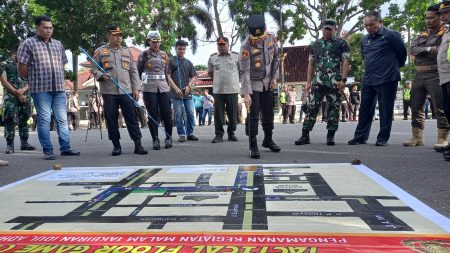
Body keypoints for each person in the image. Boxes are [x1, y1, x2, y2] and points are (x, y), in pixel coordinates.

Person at [17, 15, 79, 160]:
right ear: (37, 28)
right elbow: (22, 67)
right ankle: (48, 150)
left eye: (51, 28)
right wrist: (33, 79)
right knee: (44, 119)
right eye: (45, 27)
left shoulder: (58, 44)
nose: (48, 30)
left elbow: (63, 63)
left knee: (62, 119)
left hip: (58, 87)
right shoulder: (28, 43)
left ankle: (65, 148)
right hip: (40, 89)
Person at [348, 11, 407, 146]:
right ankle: (360, 137)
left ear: (380, 22)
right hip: (369, 79)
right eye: (366, 25)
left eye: (371, 25)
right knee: (365, 108)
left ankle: (382, 138)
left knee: (386, 109)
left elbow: (402, 54)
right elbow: (365, 57)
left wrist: (393, 67)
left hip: (388, 78)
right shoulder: (364, 40)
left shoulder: (391, 35)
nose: (368, 28)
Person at [92, 25, 148, 156]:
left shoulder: (126, 51)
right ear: (109, 36)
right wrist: (101, 75)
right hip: (109, 91)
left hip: (126, 90)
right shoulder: (100, 51)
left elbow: (133, 71)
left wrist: (137, 88)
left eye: (120, 35)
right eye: (115, 35)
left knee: (132, 118)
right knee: (111, 119)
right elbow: (94, 68)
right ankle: (116, 145)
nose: (118, 37)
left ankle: (138, 144)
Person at [295, 19, 350, 146]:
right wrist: (308, 82)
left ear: (335, 29)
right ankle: (305, 135)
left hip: (334, 82)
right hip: (317, 82)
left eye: (330, 29)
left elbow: (346, 61)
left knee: (334, 108)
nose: (327, 31)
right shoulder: (316, 44)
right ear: (322, 29)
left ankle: (330, 136)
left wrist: (343, 79)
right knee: (311, 107)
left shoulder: (341, 43)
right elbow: (311, 63)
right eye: (325, 28)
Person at [404, 4, 450, 149]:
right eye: (426, 18)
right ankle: (417, 137)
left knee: (439, 107)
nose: (428, 20)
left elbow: (439, 51)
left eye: (431, 17)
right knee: (415, 106)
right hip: (419, 74)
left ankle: (442, 138)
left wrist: (421, 50)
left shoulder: (445, 33)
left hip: (435, 74)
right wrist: (429, 49)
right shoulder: (423, 33)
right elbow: (412, 49)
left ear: (439, 17)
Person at [240, 14, 281, 159]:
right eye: (256, 38)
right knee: (253, 114)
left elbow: (276, 57)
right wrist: (246, 94)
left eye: (261, 36)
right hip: (253, 84)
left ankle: (268, 140)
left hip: (268, 82)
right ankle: (253, 144)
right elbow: (244, 71)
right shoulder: (245, 46)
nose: (259, 40)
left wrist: (274, 78)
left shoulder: (271, 38)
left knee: (269, 113)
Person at [137, 30, 173, 150]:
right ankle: (155, 139)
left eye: (158, 42)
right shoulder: (144, 55)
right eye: (154, 42)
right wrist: (138, 87)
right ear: (149, 41)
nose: (156, 44)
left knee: (167, 114)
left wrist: (169, 88)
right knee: (153, 115)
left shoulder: (164, 55)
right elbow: (138, 71)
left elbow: (167, 72)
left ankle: (168, 138)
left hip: (163, 88)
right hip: (149, 88)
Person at [0, 46, 36, 154]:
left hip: (25, 95)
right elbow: (4, 82)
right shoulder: (4, 64)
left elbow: (31, 80)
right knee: (10, 119)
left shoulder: (28, 65)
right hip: (11, 96)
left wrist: (23, 90)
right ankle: (10, 145)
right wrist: (17, 92)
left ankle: (24, 143)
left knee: (24, 117)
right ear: (14, 52)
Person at [208, 36, 241, 143]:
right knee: (218, 114)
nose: (221, 47)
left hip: (232, 90)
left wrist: (234, 81)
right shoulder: (213, 58)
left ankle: (231, 133)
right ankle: (219, 135)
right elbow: (210, 73)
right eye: (219, 45)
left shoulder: (236, 56)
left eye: (223, 45)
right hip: (218, 91)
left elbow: (241, 71)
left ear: (228, 45)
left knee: (232, 113)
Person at [167, 40, 198, 142]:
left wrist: (189, 86)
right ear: (175, 49)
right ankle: (181, 134)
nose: (181, 51)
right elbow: (168, 76)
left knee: (190, 113)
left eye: (183, 49)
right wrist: (176, 88)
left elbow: (194, 77)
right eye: (179, 49)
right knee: (178, 114)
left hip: (187, 93)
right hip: (175, 93)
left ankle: (190, 133)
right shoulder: (171, 61)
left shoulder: (189, 62)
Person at [437, 1, 450, 161]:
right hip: (445, 77)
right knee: (448, 110)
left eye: (446, 12)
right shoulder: (447, 32)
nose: (443, 16)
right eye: (442, 13)